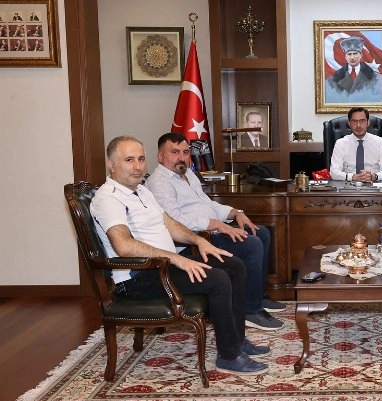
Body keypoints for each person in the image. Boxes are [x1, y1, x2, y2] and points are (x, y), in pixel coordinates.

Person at [90, 136, 271, 374]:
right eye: (129, 160)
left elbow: (170, 224)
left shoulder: (141, 191)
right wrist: (176, 258)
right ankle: (229, 356)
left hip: (162, 267)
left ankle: (236, 341)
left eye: (141, 159)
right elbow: (123, 245)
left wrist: (199, 241)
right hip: (139, 276)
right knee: (218, 279)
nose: (137, 166)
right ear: (111, 164)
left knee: (233, 265)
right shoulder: (108, 199)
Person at [146, 132, 285, 332]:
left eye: (185, 152)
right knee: (251, 243)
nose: (182, 157)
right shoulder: (159, 182)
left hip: (211, 232)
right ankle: (250, 310)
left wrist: (236, 213)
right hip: (194, 243)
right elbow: (174, 221)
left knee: (259, 232)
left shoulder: (188, 175)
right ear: (160, 157)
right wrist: (216, 224)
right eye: (175, 152)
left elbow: (209, 204)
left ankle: (258, 297)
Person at [329, 106, 382, 183]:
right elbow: (333, 172)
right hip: (348, 186)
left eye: (362, 121)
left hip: (374, 185)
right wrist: (354, 177)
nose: (358, 125)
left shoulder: (380, 142)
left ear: (368, 123)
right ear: (349, 123)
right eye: (354, 121)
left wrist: (373, 176)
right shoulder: (340, 143)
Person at [325, 36, 382, 104]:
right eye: (349, 54)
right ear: (345, 57)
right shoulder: (333, 79)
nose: (352, 57)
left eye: (355, 53)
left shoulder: (376, 78)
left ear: (361, 55)